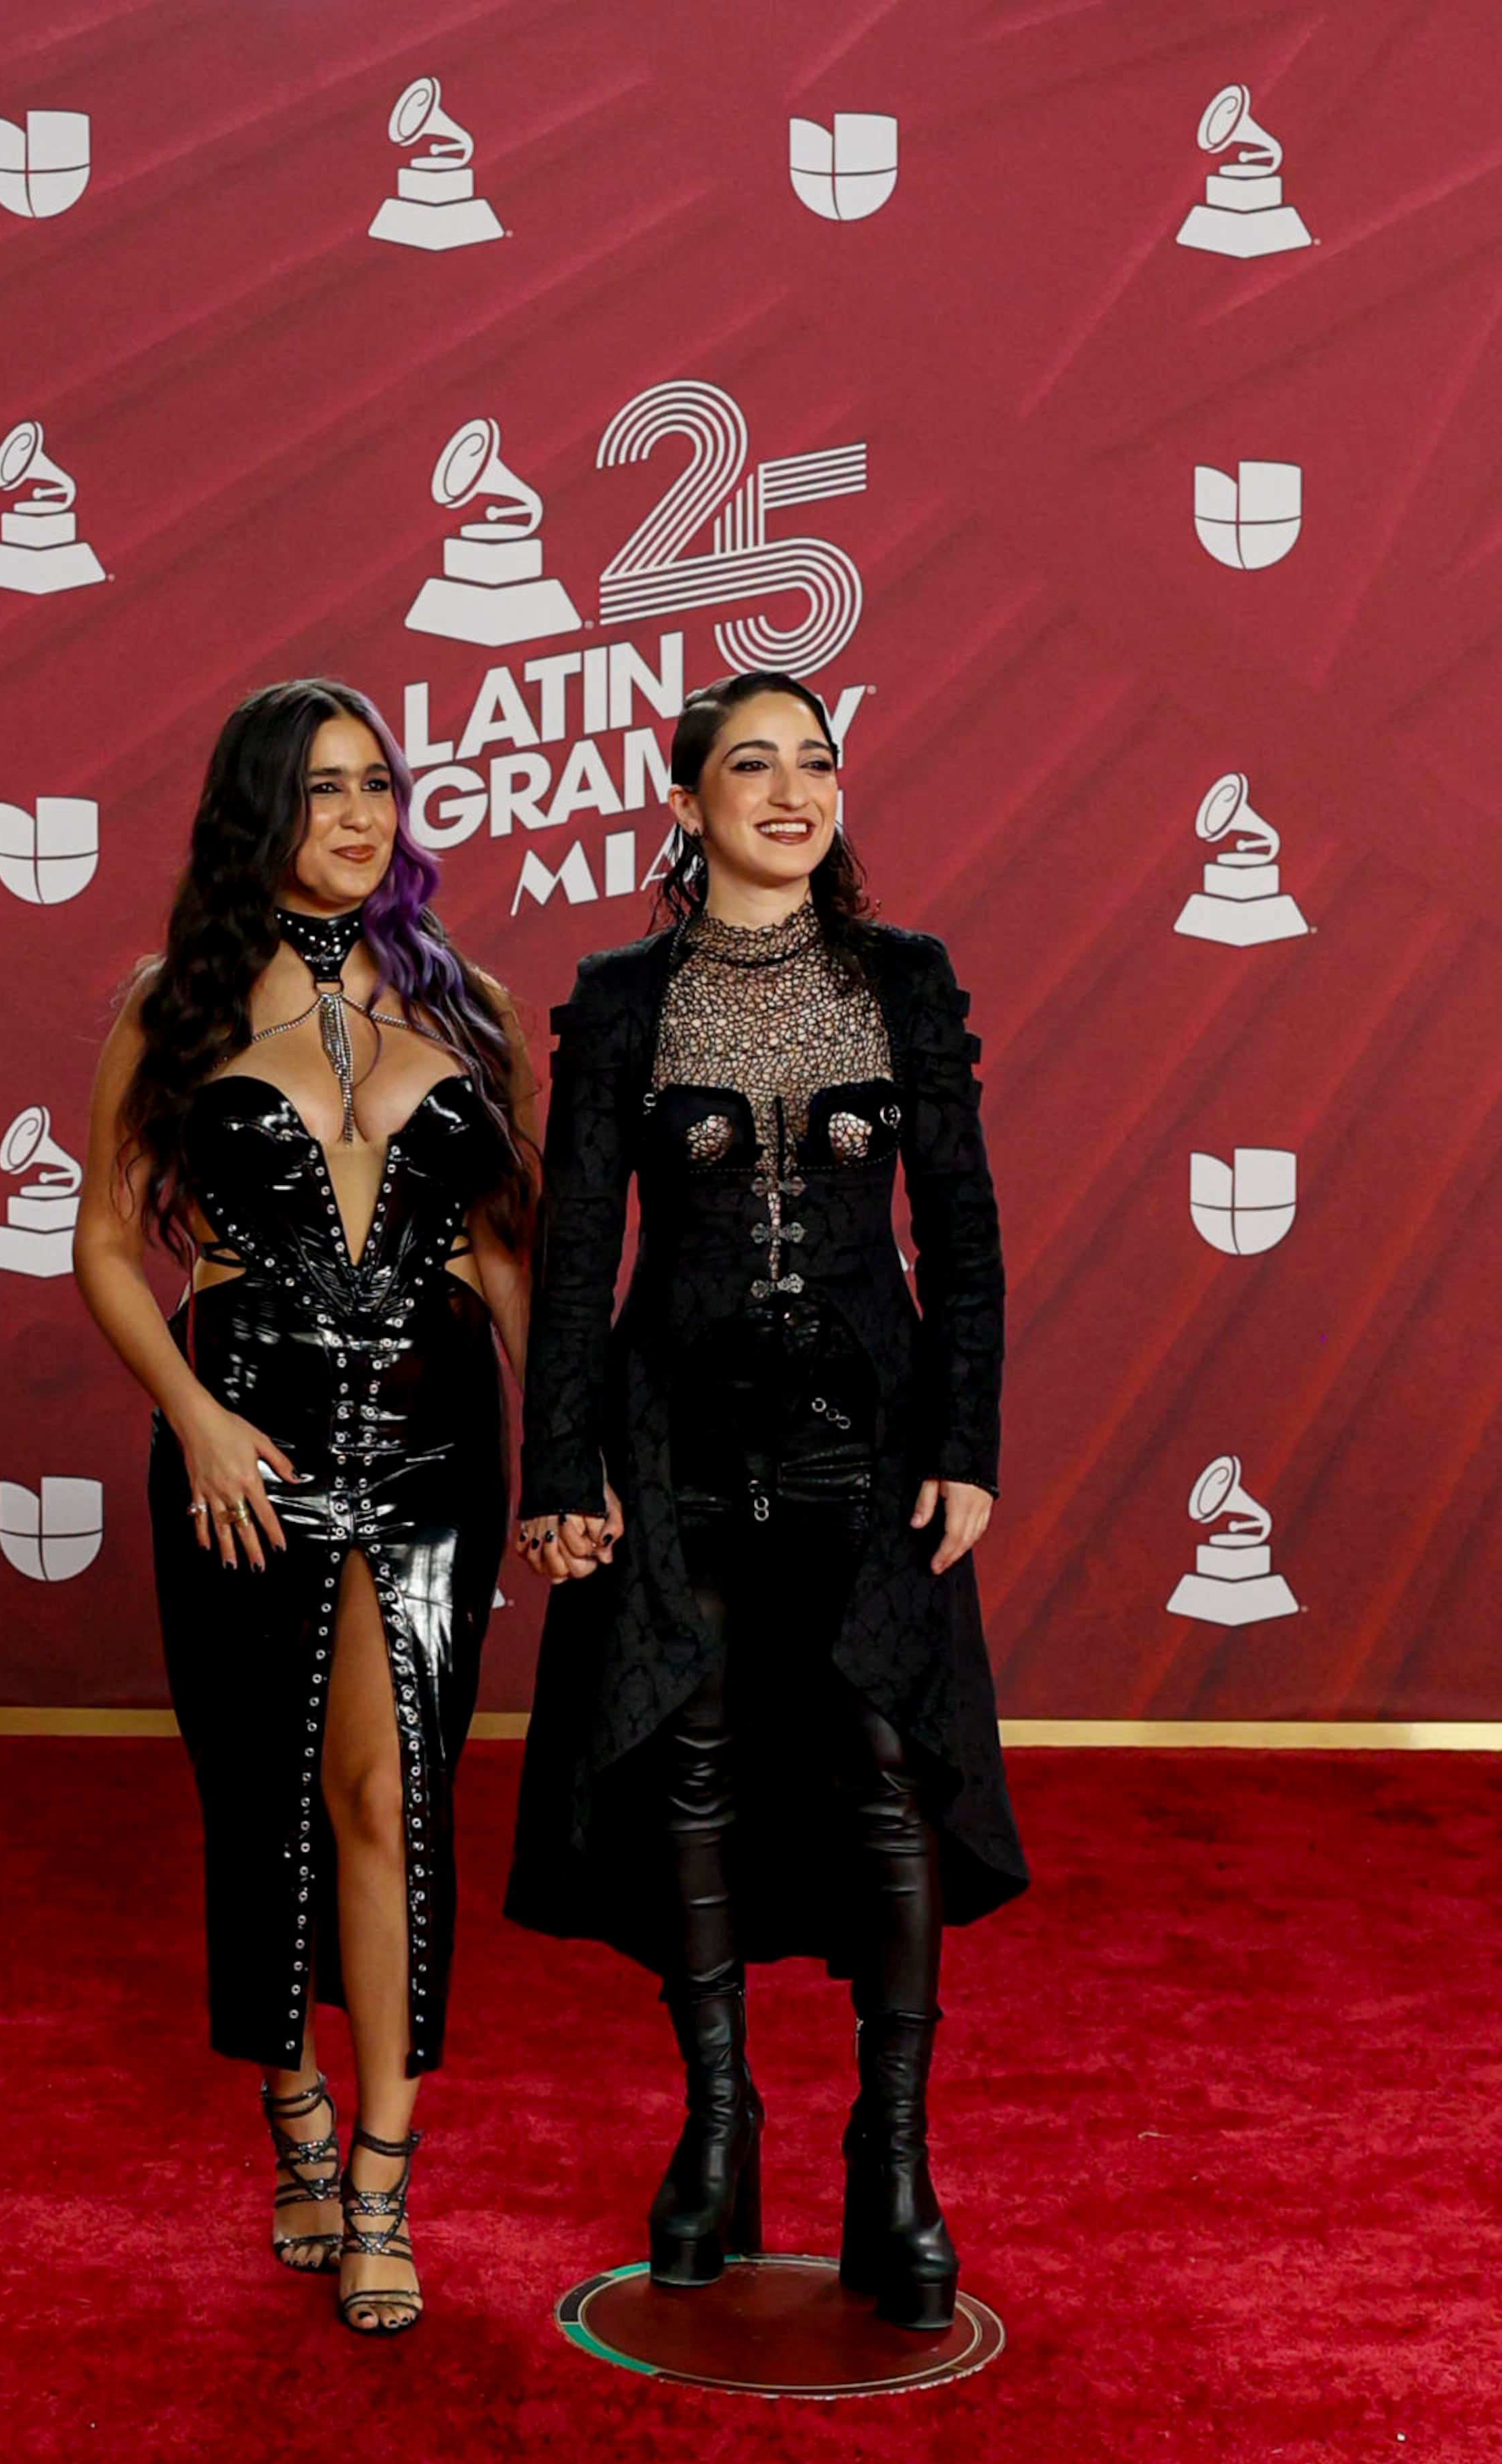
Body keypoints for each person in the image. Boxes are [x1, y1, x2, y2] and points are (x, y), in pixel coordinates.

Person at [506, 669, 1028, 2331]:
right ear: (684, 804)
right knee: (691, 1755)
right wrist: (559, 1466)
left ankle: (894, 2161)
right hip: (672, 1436)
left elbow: (962, 1233)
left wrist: (965, 1443)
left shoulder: (902, 978)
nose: (793, 790)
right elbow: (576, 1254)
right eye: (751, 764)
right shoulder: (621, 997)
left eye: (815, 761)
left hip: (870, 1441)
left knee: (885, 1764)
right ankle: (715, 2128)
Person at [75, 679, 534, 2335]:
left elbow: (506, 1259)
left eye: (377, 786)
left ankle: (384, 2184)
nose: (357, 818)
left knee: (390, 1797)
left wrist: (568, 1459)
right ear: (255, 812)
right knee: (262, 1793)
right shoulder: (175, 1004)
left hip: (433, 1444)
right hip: (247, 1447)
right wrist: (193, 1417)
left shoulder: (469, 1001)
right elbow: (104, 1243)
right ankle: (293, 2120)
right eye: (323, 789)